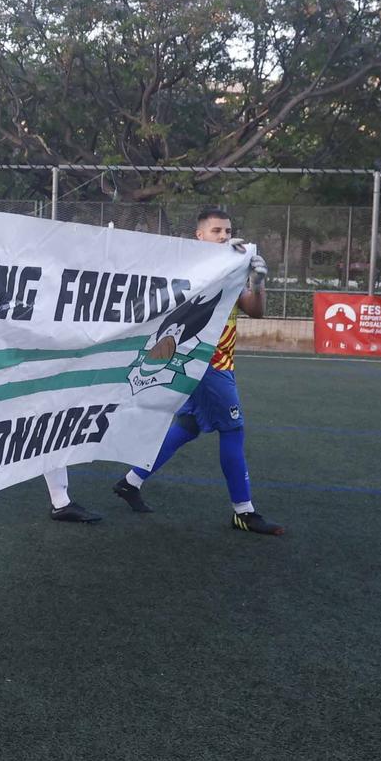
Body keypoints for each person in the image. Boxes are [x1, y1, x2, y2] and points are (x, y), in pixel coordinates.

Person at [110, 208, 284, 536]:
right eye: (216, 231)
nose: (223, 236)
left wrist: (257, 282)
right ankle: (243, 512)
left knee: (188, 426)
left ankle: (130, 482)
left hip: (219, 364)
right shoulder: (190, 269)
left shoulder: (233, 269)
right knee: (233, 430)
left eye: (227, 230)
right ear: (199, 237)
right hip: (204, 363)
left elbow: (255, 311)